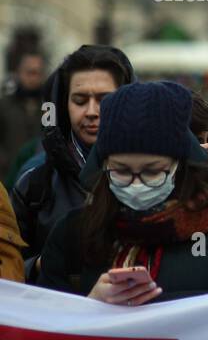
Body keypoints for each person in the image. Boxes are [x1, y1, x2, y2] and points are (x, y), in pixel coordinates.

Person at [36, 82, 208, 301]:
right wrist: (90, 306)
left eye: (153, 171)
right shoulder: (73, 234)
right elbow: (46, 332)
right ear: (103, 167)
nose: (136, 184)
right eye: (122, 171)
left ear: (181, 166)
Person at [11, 45, 134, 278]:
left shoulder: (157, 175)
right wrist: (41, 265)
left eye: (104, 100)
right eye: (79, 100)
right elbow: (8, 267)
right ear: (64, 105)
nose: (91, 111)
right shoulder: (35, 182)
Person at [0, 49, 47, 185]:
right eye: (29, 72)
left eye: (37, 73)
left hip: (39, 181)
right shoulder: (4, 105)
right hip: (7, 179)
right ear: (19, 73)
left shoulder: (49, 107)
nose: (33, 78)